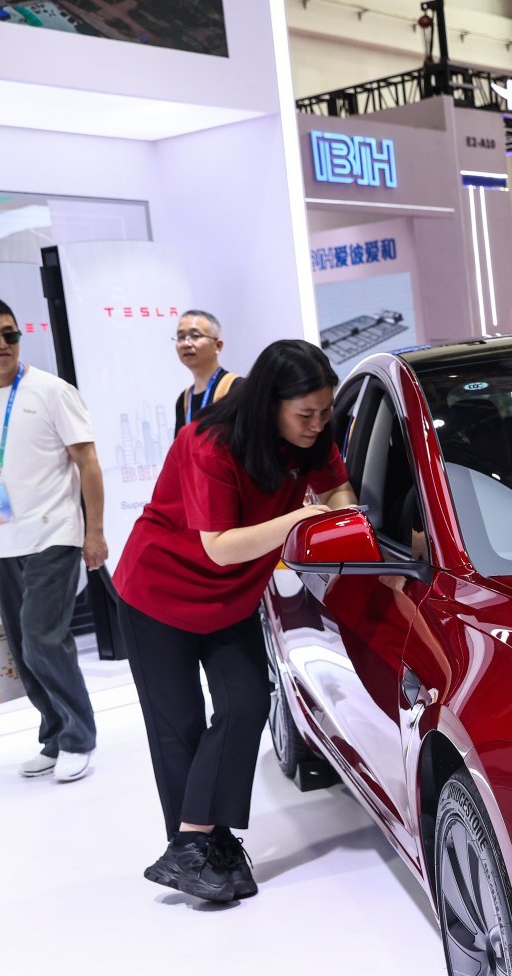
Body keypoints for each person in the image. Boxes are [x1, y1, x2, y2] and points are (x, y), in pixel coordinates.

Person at [111, 340, 357, 903]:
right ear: (271, 403)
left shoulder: (311, 440)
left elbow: (338, 495)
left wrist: (348, 516)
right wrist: (303, 516)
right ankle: (205, 848)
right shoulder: (208, 444)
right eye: (306, 414)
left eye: (326, 413)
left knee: (247, 700)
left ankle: (190, 844)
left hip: (232, 600)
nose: (318, 425)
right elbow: (220, 547)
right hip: (159, 594)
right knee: (179, 727)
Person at [0, 295, 104, 783]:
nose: (3, 345)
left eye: (11, 334)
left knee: (44, 638)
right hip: (3, 543)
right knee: (22, 648)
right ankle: (54, 734)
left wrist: (95, 531)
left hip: (53, 534)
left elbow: (88, 462)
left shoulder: (51, 391)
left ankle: (79, 738)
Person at [173, 309, 239, 430]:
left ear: (217, 346)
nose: (186, 343)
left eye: (195, 336)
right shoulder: (184, 400)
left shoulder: (237, 389)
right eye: (181, 337)